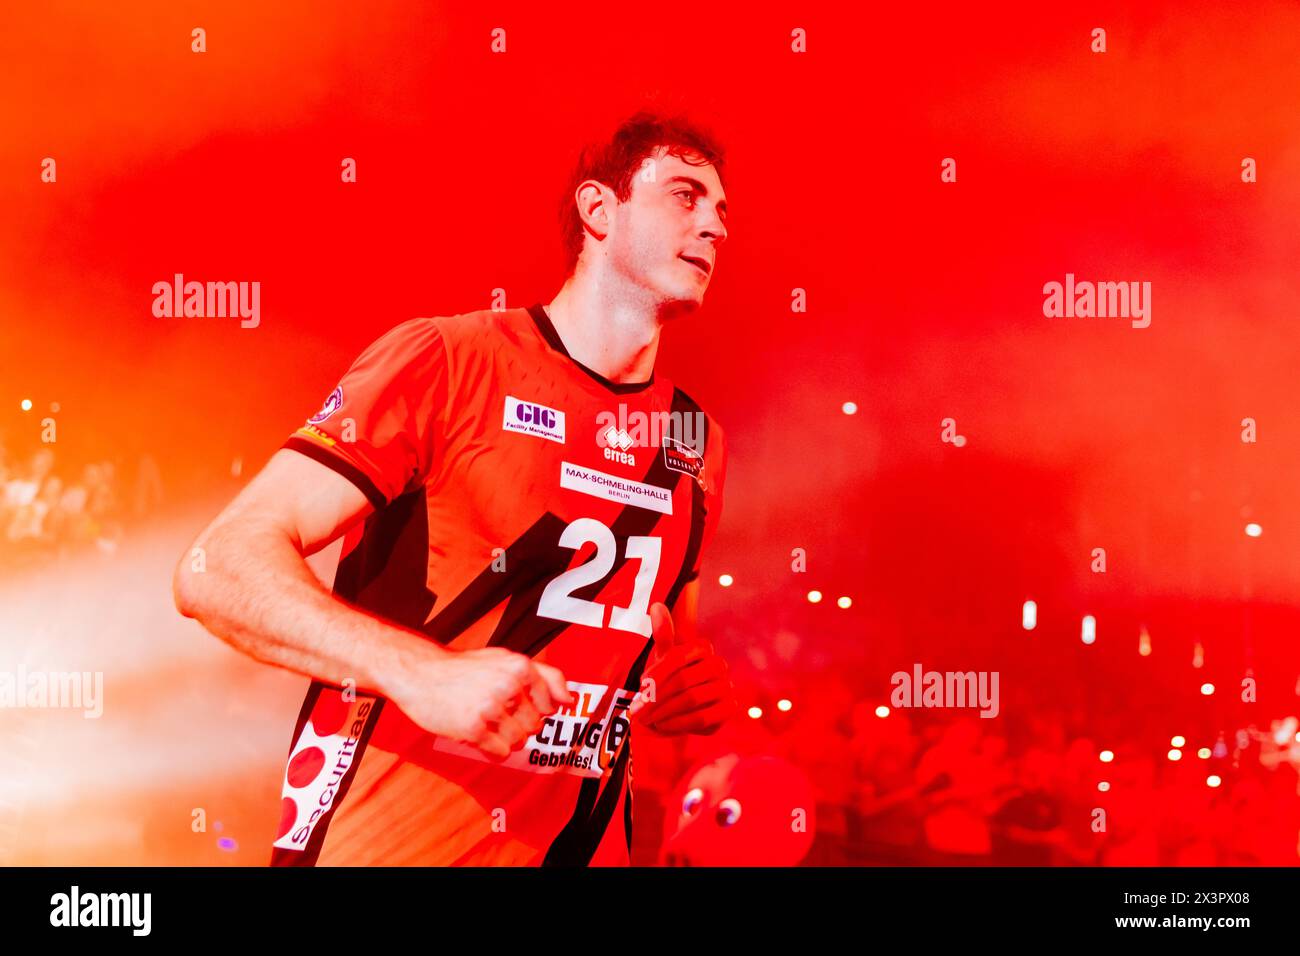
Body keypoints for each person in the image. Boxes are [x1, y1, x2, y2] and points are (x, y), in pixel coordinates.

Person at [173, 111, 737, 866]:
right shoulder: (447, 360)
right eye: (685, 195)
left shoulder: (696, 442)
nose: (715, 226)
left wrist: (685, 687)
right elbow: (216, 567)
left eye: (722, 210)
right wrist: (422, 673)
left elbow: (662, 650)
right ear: (599, 210)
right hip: (385, 845)